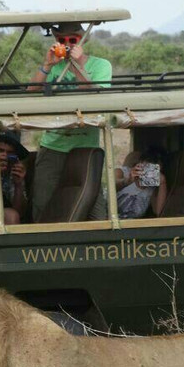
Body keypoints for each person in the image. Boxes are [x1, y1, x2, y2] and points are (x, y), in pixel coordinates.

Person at [27, 22, 112, 223]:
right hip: (53, 145)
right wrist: (47, 65)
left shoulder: (101, 65)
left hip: (85, 147)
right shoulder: (54, 67)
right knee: (43, 202)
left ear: (82, 41)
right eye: (62, 40)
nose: (67, 44)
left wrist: (78, 63)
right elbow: (30, 95)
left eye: (72, 40)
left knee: (93, 205)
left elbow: (95, 97)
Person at [115, 146, 168, 219]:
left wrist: (162, 183)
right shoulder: (122, 172)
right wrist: (128, 181)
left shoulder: (152, 188)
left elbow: (158, 212)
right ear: (139, 163)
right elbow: (111, 187)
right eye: (146, 166)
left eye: (153, 169)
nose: (148, 171)